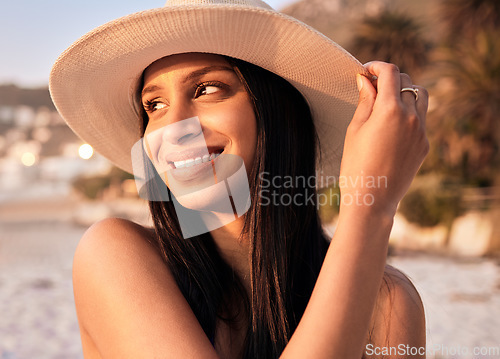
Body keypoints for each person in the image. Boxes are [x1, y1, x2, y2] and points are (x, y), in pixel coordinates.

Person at [50, 0, 428, 358]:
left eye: (208, 89)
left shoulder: (388, 302)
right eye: (155, 105)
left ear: (277, 112)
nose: (174, 127)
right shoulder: (114, 255)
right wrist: (371, 209)